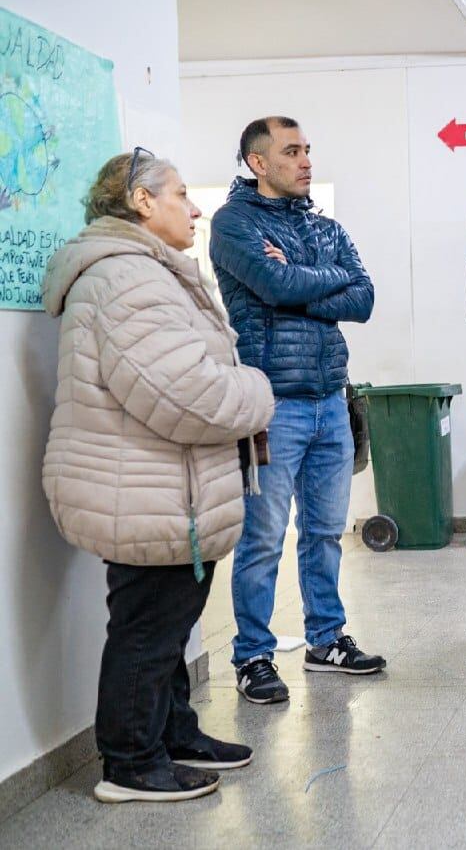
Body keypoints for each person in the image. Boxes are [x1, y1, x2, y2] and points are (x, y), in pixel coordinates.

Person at [41, 149, 276, 802]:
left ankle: (172, 733)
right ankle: (130, 762)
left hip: (157, 486)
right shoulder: (126, 280)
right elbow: (183, 394)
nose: (194, 207)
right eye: (179, 194)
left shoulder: (144, 274)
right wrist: (259, 389)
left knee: (167, 622)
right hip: (143, 487)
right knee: (148, 627)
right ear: (142, 202)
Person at [211, 117, 384, 704]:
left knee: (325, 532)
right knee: (261, 538)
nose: (306, 160)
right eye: (292, 151)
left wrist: (299, 278)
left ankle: (326, 639)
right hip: (271, 402)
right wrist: (311, 284)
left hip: (330, 397)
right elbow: (273, 287)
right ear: (259, 163)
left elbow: (362, 297)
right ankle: (253, 655)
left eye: (308, 148)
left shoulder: (325, 226)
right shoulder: (233, 224)